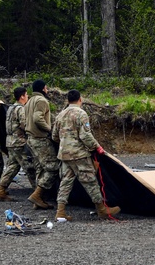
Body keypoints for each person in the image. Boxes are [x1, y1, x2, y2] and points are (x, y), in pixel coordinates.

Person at [54, 89, 120, 221]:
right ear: (80, 99)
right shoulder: (81, 114)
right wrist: (97, 147)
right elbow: (85, 135)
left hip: (64, 154)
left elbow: (55, 136)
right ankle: (101, 210)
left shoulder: (60, 115)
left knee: (65, 182)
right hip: (79, 154)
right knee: (90, 181)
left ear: (68, 100)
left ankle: (60, 211)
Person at [0, 86, 37, 201]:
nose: (28, 96)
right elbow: (24, 124)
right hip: (19, 142)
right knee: (29, 168)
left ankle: (1, 191)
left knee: (12, 167)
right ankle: (38, 193)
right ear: (22, 96)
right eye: (27, 94)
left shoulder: (10, 108)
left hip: (10, 141)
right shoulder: (21, 109)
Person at [25, 79, 59, 210]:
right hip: (40, 139)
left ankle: (39, 200)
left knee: (40, 169)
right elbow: (38, 118)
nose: (48, 90)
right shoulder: (41, 101)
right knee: (52, 168)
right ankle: (37, 195)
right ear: (42, 88)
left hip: (31, 139)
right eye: (46, 87)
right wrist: (50, 130)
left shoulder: (29, 102)